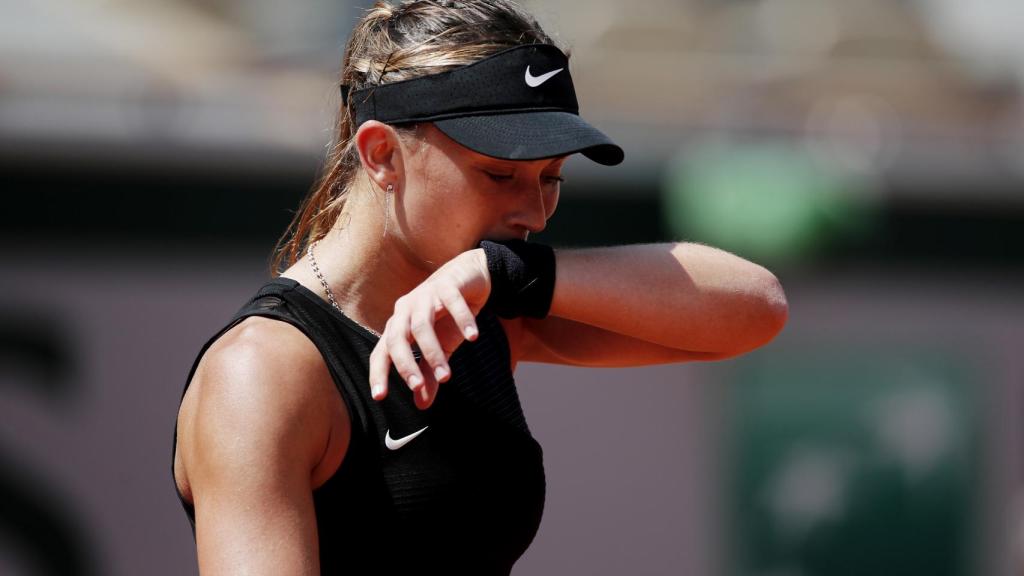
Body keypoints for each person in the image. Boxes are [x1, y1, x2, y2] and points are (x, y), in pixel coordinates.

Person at [171, 1, 788, 574]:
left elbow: (756, 309)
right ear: (383, 154)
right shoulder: (261, 375)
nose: (536, 213)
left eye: (552, 178)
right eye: (498, 173)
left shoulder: (490, 304)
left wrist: (512, 273)